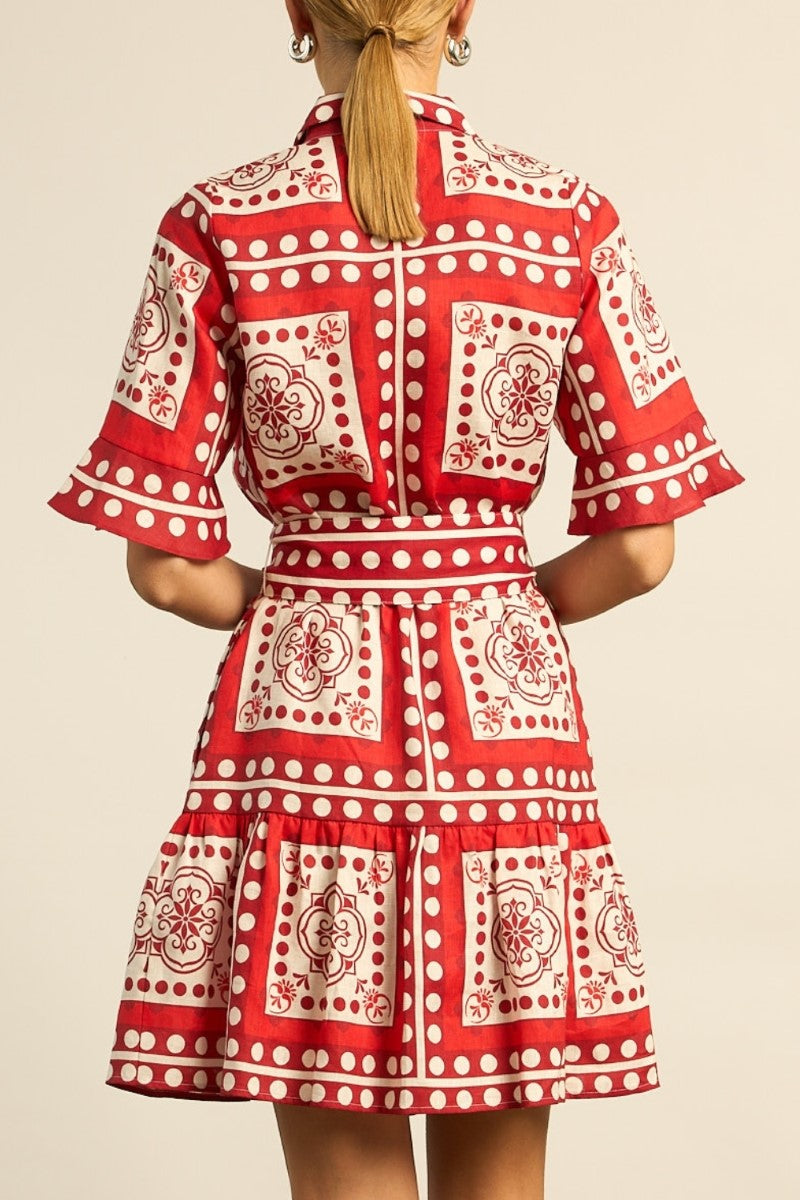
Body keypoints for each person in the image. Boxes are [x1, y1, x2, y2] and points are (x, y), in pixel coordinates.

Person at [45, 1, 746, 1197]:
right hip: (503, 728)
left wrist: (298, 590)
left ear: (294, 10)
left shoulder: (218, 223)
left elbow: (166, 564)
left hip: (312, 720)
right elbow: (639, 548)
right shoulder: (565, 218)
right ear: (460, 12)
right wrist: (491, 598)